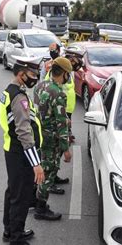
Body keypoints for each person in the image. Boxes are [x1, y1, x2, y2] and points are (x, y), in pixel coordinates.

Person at [0, 55, 45, 245]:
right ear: (20, 74)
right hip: (21, 153)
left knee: (13, 192)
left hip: (12, 150)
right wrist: (36, 163)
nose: (35, 77)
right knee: (22, 195)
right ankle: (16, 238)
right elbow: (24, 132)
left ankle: (10, 230)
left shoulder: (10, 91)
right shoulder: (18, 96)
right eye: (31, 74)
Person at [33, 57, 72, 221]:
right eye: (68, 74)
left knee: (45, 169)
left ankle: (36, 202)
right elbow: (61, 124)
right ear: (63, 73)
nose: (69, 77)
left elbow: (38, 111)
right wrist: (66, 149)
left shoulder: (40, 86)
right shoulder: (58, 93)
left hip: (41, 136)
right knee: (48, 174)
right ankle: (40, 209)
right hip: (52, 140)